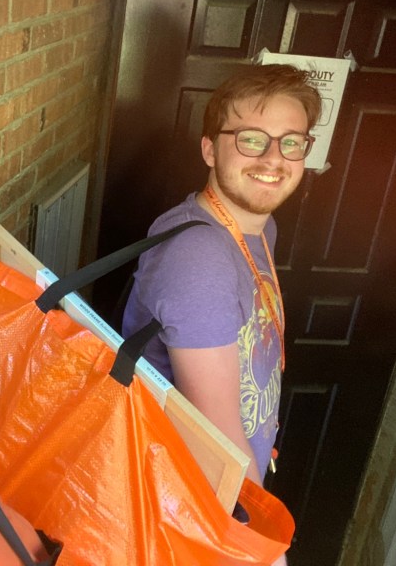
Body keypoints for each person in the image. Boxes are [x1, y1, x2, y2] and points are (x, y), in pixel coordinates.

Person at [121, 64, 321, 494]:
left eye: (291, 143)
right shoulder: (201, 256)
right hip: (192, 497)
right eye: (251, 139)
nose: (273, 159)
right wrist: (261, 550)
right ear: (210, 150)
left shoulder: (259, 230)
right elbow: (219, 440)